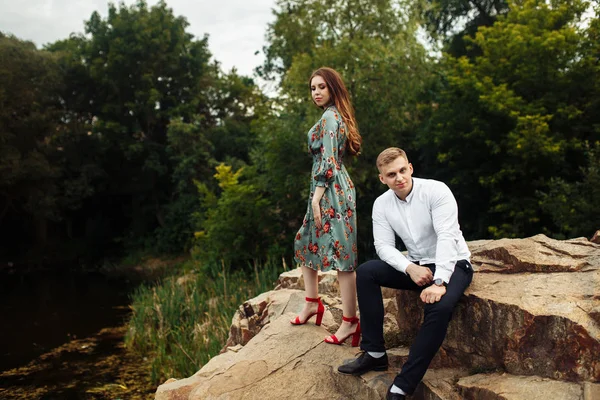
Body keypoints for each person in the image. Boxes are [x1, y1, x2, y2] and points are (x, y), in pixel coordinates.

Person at [337, 147, 474, 399]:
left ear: (410, 168)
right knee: (366, 272)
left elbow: (447, 236)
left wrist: (440, 281)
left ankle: (403, 385)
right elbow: (383, 246)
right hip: (417, 266)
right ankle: (375, 353)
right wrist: (409, 267)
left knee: (440, 308)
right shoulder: (382, 204)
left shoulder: (436, 190)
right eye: (391, 174)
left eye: (402, 170)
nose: (399, 178)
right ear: (383, 179)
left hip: (453, 264)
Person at [291, 67, 363, 347]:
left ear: (333, 88)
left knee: (344, 258)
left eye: (321, 87)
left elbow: (330, 161)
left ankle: (350, 322)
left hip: (330, 191)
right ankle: (312, 303)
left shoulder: (331, 118)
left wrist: (317, 197)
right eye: (312, 88)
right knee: (307, 242)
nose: (316, 92)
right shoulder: (330, 116)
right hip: (323, 189)